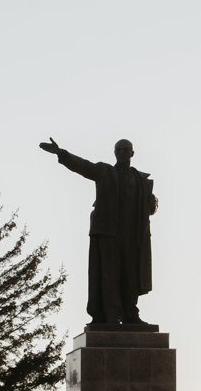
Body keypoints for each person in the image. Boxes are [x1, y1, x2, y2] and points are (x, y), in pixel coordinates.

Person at [39, 137, 158, 327]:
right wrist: (61, 153)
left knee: (131, 275)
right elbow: (83, 166)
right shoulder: (105, 171)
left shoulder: (141, 180)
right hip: (108, 233)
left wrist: (151, 205)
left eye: (126, 150)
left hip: (133, 235)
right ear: (114, 153)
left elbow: (150, 208)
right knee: (109, 274)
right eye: (119, 150)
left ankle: (130, 313)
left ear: (132, 154)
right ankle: (111, 314)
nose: (122, 153)